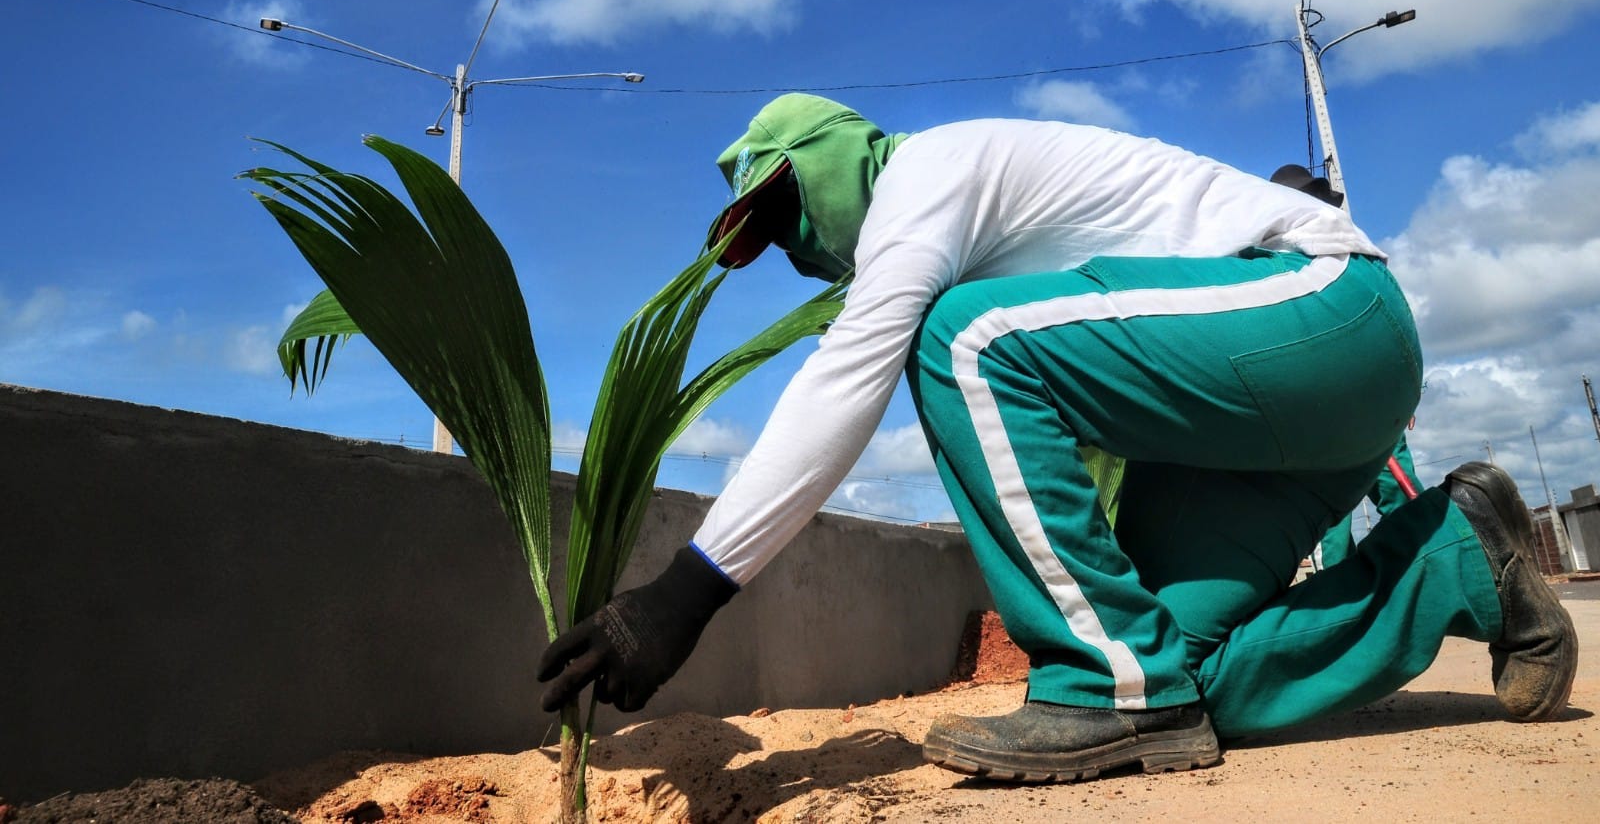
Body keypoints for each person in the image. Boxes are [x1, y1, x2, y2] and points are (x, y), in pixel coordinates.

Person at [538, 94, 1577, 782]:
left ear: (833, 152)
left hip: (1329, 313)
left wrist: (687, 591)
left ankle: (1099, 684)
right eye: (770, 244)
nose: (798, 246)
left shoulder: (925, 176)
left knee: (959, 342)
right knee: (1179, 677)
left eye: (787, 206)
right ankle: (1456, 560)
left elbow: (843, 381)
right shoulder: (935, 228)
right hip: (1266, 421)